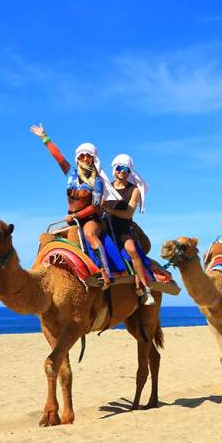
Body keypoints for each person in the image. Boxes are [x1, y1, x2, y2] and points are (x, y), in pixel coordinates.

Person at [30, 124, 120, 287]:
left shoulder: (97, 181)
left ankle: (105, 271)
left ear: (93, 158)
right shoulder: (70, 174)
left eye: (88, 156)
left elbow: (95, 206)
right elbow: (58, 156)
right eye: (82, 156)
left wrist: (76, 216)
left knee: (90, 234)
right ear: (77, 157)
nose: (85, 159)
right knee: (47, 238)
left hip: (89, 218)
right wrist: (44, 137)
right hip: (71, 219)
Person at [103, 153, 154, 306]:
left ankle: (146, 290)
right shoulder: (106, 187)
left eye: (125, 168)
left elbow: (128, 214)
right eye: (119, 167)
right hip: (105, 226)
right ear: (114, 170)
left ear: (130, 171)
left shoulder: (134, 190)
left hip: (123, 228)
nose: (122, 171)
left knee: (132, 249)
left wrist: (107, 209)